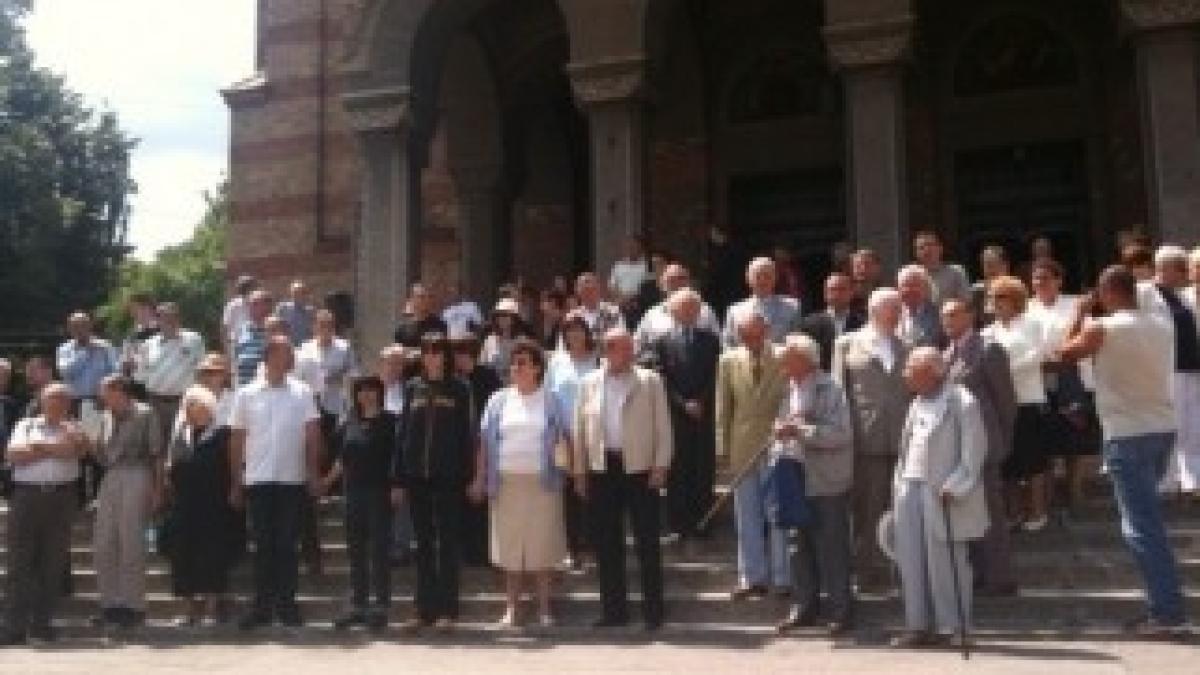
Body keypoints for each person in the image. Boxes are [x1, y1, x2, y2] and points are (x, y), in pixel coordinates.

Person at [1059, 265, 1187, 637]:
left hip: (1127, 433)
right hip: (1161, 428)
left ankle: (1167, 612)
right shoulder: (1163, 326)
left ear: (1107, 292)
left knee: (1142, 528)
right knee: (1150, 523)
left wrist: (1081, 313)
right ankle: (1164, 606)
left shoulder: (1102, 327)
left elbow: (1064, 354)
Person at [572, 327, 672, 630]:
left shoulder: (649, 381)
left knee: (647, 542)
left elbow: (663, 427)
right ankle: (614, 611)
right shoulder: (589, 383)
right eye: (624, 348)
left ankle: (653, 613)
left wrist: (661, 465)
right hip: (604, 469)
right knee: (607, 543)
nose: (631, 353)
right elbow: (579, 429)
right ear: (608, 350)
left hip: (640, 468)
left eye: (632, 348)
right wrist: (579, 470)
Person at [888, 347, 988, 649]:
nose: (905, 373)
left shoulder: (962, 401)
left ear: (932, 371)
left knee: (947, 561)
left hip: (943, 491)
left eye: (911, 368)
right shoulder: (917, 402)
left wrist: (956, 485)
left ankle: (954, 626)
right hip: (910, 486)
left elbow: (975, 451)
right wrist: (899, 485)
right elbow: (907, 449)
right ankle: (917, 625)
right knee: (911, 558)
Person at [475, 339, 570, 627]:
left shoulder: (552, 399)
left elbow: (568, 439)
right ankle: (511, 609)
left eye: (523, 363)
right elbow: (483, 443)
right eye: (514, 363)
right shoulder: (498, 399)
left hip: (543, 483)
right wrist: (480, 477)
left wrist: (572, 472)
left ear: (537, 368)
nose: (516, 368)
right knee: (510, 548)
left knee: (543, 547)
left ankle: (544, 609)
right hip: (505, 483)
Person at [229, 336, 323, 630]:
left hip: (291, 479)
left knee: (286, 544)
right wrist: (236, 481)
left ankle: (287, 604)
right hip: (258, 479)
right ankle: (261, 606)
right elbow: (236, 440)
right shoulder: (246, 394)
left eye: (291, 354)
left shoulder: (303, 392)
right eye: (284, 354)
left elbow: (313, 434)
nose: (289, 359)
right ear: (269, 357)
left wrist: (313, 472)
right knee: (262, 545)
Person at [771, 334, 855, 636]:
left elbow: (841, 434)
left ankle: (841, 610)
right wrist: (779, 432)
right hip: (791, 472)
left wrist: (801, 430)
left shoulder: (830, 389)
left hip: (824, 478)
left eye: (787, 357)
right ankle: (803, 606)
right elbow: (782, 425)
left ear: (805, 360)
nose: (781, 361)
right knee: (798, 545)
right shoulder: (786, 387)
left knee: (831, 546)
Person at [391, 334, 474, 633]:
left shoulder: (460, 389)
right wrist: (398, 478)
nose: (432, 356)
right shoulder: (412, 388)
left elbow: (467, 436)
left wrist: (469, 475)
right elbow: (403, 437)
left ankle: (448, 610)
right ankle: (423, 609)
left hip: (448, 476)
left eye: (437, 351)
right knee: (423, 544)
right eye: (426, 351)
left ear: (446, 355)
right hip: (417, 476)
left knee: (447, 543)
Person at [831, 287, 910, 591]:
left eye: (899, 308)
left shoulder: (908, 344)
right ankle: (867, 572)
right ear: (876, 311)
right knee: (868, 509)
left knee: (903, 510)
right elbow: (839, 395)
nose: (899, 313)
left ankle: (903, 574)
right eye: (894, 308)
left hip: (904, 440)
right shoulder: (847, 344)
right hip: (866, 440)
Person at [941, 299, 1018, 595]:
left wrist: (1000, 440)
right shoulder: (946, 354)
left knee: (991, 513)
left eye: (953, 314)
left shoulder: (988, 349)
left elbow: (1005, 402)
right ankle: (976, 575)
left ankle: (1000, 577)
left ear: (970, 316)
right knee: (969, 513)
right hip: (957, 447)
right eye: (943, 316)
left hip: (985, 443)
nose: (947, 320)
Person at [1, 383, 88, 645]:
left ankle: (42, 624)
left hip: (62, 497)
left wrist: (39, 448)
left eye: (62, 400)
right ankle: (14, 626)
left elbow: (79, 451)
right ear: (41, 401)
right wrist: (56, 448)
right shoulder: (26, 425)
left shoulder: (76, 428)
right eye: (52, 399)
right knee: (19, 562)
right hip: (27, 496)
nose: (57, 404)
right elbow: (14, 455)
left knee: (52, 563)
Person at [716, 311, 790, 597]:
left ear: (767, 330)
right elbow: (723, 408)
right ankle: (752, 577)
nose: (751, 341)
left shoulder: (784, 355)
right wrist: (722, 449)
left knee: (778, 513)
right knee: (747, 514)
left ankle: (782, 577)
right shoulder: (729, 360)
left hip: (778, 444)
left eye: (756, 335)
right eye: (745, 337)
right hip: (743, 445)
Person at [323, 376, 398, 631]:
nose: (367, 395)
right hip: (352, 493)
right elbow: (341, 460)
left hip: (379, 492)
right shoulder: (347, 423)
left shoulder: (390, 422)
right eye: (362, 391)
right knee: (355, 551)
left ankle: (381, 605)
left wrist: (398, 487)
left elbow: (396, 459)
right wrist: (325, 483)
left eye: (372, 390)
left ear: (379, 393)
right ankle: (357, 604)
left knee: (378, 550)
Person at [162, 385, 241, 626]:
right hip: (184, 503)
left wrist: (236, 489)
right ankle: (189, 609)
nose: (190, 410)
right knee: (182, 554)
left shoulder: (223, 435)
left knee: (212, 554)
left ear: (208, 409)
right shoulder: (180, 437)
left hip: (213, 503)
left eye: (195, 405)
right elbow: (170, 466)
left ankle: (211, 608)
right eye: (187, 405)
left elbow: (233, 466)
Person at [88, 375, 163, 629]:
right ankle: (110, 604)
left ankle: (134, 605)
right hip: (111, 475)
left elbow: (156, 453)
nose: (101, 396)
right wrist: (89, 444)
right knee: (104, 541)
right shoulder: (105, 416)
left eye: (105, 391)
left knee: (131, 540)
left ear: (119, 390)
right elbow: (100, 455)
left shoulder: (145, 413)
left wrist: (158, 488)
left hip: (137, 472)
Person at [647, 288, 720, 545]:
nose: (689, 312)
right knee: (678, 470)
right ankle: (678, 523)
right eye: (683, 307)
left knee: (702, 468)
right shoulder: (662, 342)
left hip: (703, 414)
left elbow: (715, 375)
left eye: (693, 307)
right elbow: (661, 378)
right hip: (675, 415)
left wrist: (700, 401)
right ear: (673, 311)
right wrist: (682, 403)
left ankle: (703, 521)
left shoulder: (711, 341)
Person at [1029, 259, 1101, 511]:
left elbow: (1085, 338)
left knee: (1074, 434)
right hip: (1040, 377)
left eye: (1046, 278)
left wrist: (1080, 317)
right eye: (1036, 278)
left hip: (1072, 376)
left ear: (1059, 280)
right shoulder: (1027, 308)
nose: (1040, 283)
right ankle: (1048, 492)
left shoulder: (1075, 304)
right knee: (1045, 436)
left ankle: (1075, 489)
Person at [982, 275, 1050, 532]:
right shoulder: (988, 332)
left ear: (1016, 299)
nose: (996, 302)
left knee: (1033, 461)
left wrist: (1004, 372)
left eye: (1001, 296)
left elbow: (1037, 356)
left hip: (1028, 399)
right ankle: (1013, 513)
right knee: (1007, 463)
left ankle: (1038, 511)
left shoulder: (1031, 324)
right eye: (992, 297)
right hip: (1000, 404)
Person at [546, 311, 601, 567]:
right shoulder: (556, 362)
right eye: (569, 330)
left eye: (579, 329)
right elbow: (549, 397)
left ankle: (592, 545)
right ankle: (570, 547)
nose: (574, 334)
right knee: (568, 495)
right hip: (564, 435)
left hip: (593, 434)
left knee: (592, 490)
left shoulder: (598, 360)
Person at [451, 328, 502, 566]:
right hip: (460, 448)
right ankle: (466, 551)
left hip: (486, 445)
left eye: (461, 353)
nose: (457, 358)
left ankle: (485, 551)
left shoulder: (489, 378)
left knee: (484, 502)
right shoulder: (452, 381)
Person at [1152, 246, 1200, 496]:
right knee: (1172, 425)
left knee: (1192, 426)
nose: (1185, 273)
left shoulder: (1180, 296)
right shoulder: (1148, 295)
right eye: (1181, 268)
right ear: (1165, 269)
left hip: (1190, 367)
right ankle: (1167, 479)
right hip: (1168, 369)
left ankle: (1192, 479)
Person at [139, 302, 205, 446]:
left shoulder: (194, 339)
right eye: (163, 317)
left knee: (182, 444)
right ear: (157, 320)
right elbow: (141, 376)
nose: (168, 321)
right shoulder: (148, 344)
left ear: (178, 318)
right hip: (156, 403)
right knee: (157, 444)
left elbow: (202, 370)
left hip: (184, 401)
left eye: (172, 317)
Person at [633, 263, 720, 351]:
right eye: (671, 281)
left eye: (681, 279)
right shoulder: (652, 314)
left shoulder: (705, 310)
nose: (677, 284)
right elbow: (637, 344)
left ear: (689, 282)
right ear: (663, 286)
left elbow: (717, 342)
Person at [722, 257, 801, 348]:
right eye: (758, 276)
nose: (762, 281)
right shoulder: (734, 311)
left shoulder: (792, 307)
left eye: (767, 276)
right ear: (748, 278)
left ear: (775, 278)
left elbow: (797, 343)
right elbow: (727, 345)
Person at [798, 272, 867, 371]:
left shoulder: (863, 323)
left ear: (851, 293)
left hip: (854, 378)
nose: (837, 294)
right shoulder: (810, 324)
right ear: (825, 294)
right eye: (833, 289)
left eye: (842, 289)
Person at [56, 311, 118, 409]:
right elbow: (65, 372)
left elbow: (115, 372)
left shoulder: (105, 346)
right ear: (69, 329)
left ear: (90, 326)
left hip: (101, 400)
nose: (79, 329)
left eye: (83, 325)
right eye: (75, 326)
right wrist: (86, 352)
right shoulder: (64, 349)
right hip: (74, 401)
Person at [913, 230, 970, 306]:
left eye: (930, 245)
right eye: (921, 247)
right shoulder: (911, 275)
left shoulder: (955, 272)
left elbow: (965, 301)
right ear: (916, 253)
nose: (927, 250)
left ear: (940, 248)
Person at [119, 293, 159, 399]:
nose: (133, 313)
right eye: (131, 310)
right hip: (137, 387)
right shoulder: (132, 335)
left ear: (149, 308)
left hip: (159, 387)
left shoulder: (163, 332)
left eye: (136, 308)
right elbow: (125, 362)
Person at [896, 265, 943, 349]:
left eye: (916, 285)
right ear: (899, 289)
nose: (910, 290)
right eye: (905, 286)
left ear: (926, 289)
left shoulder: (939, 316)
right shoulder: (892, 313)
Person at [233, 289, 273, 387]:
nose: (250, 308)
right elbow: (236, 355)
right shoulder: (242, 329)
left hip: (266, 388)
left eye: (255, 304)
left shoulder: (275, 329)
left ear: (267, 306)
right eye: (249, 304)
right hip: (244, 386)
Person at [480, 298, 525, 382]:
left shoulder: (522, 342)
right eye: (499, 316)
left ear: (514, 318)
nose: (502, 319)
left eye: (505, 315)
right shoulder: (489, 340)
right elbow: (483, 365)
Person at [573, 272, 625, 344]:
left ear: (598, 288)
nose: (588, 294)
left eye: (591, 289)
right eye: (584, 289)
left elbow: (620, 339)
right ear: (578, 292)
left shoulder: (613, 312)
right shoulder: (573, 317)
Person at [393, 283, 448, 348]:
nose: (426, 300)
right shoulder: (402, 329)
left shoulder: (440, 326)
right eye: (421, 297)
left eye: (430, 297)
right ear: (412, 299)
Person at [608, 236, 651, 319]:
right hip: (620, 305)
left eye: (634, 246)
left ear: (640, 247)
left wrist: (631, 299)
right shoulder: (618, 266)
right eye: (629, 246)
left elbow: (647, 287)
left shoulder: (646, 266)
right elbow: (612, 286)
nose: (631, 249)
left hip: (638, 306)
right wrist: (622, 299)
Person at [970, 245, 1010, 325]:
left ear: (1005, 266)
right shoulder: (977, 292)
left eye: (992, 263)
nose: (989, 268)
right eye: (986, 264)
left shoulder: (1015, 290)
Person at [222, 275, 259, 355]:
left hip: (255, 342)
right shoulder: (233, 305)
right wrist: (226, 348)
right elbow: (226, 326)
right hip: (237, 343)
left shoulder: (259, 303)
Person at [275, 280, 317, 346]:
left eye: (303, 292)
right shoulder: (283, 308)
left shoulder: (311, 311)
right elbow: (276, 327)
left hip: (306, 346)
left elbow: (314, 330)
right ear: (291, 293)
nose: (300, 295)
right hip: (288, 346)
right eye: (296, 293)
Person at [849, 248, 884, 315]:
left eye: (867, 264)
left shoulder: (887, 295)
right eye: (858, 266)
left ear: (877, 268)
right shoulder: (846, 297)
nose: (862, 269)